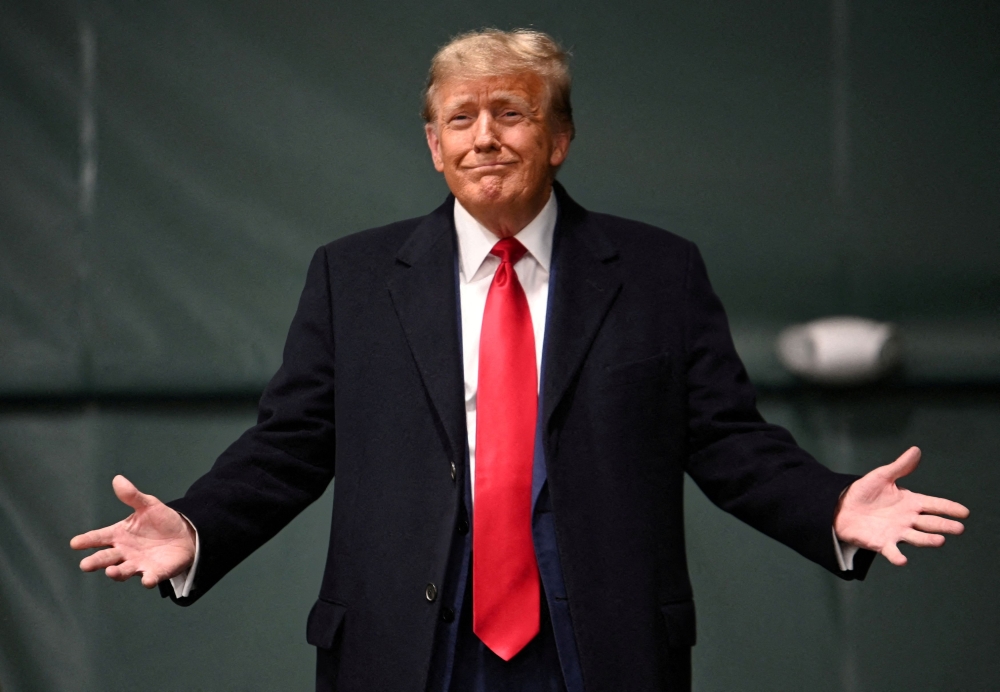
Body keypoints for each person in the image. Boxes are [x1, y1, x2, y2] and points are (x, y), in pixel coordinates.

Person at [71, 29, 969, 692]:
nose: (484, 137)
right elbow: (291, 444)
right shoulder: (352, 277)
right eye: (459, 119)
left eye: (511, 112)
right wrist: (196, 528)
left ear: (560, 135)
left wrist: (831, 505)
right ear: (433, 145)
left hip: (599, 649)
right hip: (406, 649)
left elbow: (729, 440)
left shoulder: (658, 272)